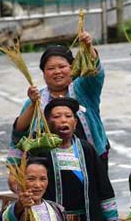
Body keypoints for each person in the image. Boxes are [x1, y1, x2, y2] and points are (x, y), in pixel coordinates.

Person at [11, 39, 110, 171]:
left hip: (91, 160)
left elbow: (95, 74)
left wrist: (88, 47)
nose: (57, 71)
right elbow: (19, 134)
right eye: (51, 68)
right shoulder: (35, 99)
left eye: (62, 67)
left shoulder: (84, 89)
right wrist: (14, 169)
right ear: (44, 73)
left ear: (72, 67)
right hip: (50, 167)